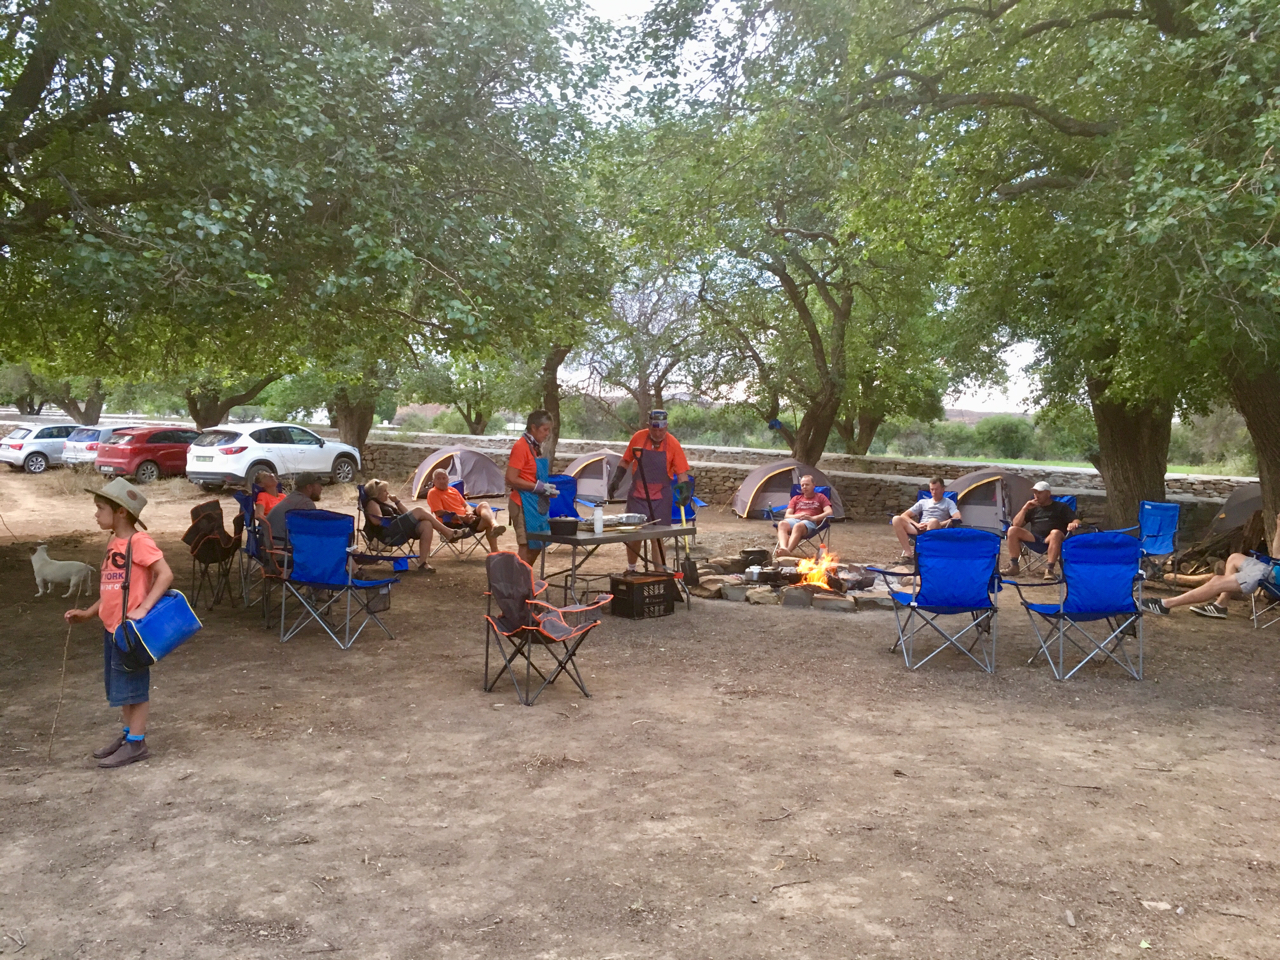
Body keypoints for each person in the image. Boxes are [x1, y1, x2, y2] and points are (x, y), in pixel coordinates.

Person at [65, 478, 174, 769]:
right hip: (112, 629)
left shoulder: (139, 542)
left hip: (130, 631)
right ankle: (128, 736)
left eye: (101, 508)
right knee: (121, 688)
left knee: (134, 687)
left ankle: (137, 743)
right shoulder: (114, 542)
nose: (96, 514)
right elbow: (111, 589)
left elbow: (165, 574)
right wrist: (89, 613)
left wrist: (144, 608)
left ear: (121, 512)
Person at [1142, 511, 1280, 619]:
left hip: (1271, 577)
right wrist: (1279, 526)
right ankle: (1221, 605)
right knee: (1234, 558)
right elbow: (1277, 556)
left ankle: (1165, 605)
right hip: (1271, 569)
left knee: (1217, 581)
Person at [608, 410, 691, 572]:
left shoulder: (673, 444)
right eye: (654, 430)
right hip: (638, 495)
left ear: (666, 427)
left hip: (661, 498)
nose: (658, 434)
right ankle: (631, 569)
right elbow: (625, 460)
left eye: (661, 430)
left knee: (657, 538)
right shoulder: (638, 438)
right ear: (648, 426)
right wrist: (616, 480)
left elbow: (682, 473)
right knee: (634, 536)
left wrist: (686, 492)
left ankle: (659, 573)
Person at [362, 478, 462, 573]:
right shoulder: (372, 502)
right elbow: (377, 521)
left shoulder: (385, 504)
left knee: (426, 524)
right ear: (377, 493)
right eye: (384, 491)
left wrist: (397, 502)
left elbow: (406, 513)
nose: (387, 493)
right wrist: (395, 519)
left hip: (398, 530)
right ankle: (448, 532)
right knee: (419, 510)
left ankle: (423, 563)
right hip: (388, 533)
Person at [506, 410, 559, 566]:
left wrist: (546, 490)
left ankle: (524, 576)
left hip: (536, 504)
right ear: (533, 427)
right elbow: (510, 478)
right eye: (545, 429)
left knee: (537, 544)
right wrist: (538, 487)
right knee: (526, 546)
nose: (547, 434)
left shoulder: (535, 447)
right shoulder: (521, 446)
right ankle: (518, 580)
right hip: (522, 503)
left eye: (549, 430)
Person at [1003, 481, 1080, 579]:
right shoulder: (1033, 508)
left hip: (1053, 539)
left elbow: (1076, 519)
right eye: (1035, 493)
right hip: (1035, 539)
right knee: (1012, 530)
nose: (1036, 495)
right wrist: (1025, 508)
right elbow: (1016, 524)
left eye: (1039, 493)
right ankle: (1014, 566)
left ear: (1048, 493)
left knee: (1055, 533)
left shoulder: (1061, 507)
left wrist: (1074, 523)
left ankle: (1049, 570)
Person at [426, 468, 506, 553]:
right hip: (454, 526)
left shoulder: (453, 490)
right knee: (487, 521)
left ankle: (495, 525)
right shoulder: (433, 493)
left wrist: (469, 513)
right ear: (434, 481)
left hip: (467, 520)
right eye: (438, 479)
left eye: (444, 478)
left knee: (484, 504)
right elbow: (440, 513)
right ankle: (495, 549)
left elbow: (466, 505)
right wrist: (463, 518)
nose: (442, 481)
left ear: (448, 479)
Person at [892, 476, 961, 561]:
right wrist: (917, 524)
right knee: (896, 519)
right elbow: (904, 515)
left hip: (937, 528)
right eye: (932, 489)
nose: (934, 492)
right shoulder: (923, 502)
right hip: (920, 528)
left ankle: (925, 552)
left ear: (943, 489)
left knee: (933, 521)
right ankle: (908, 553)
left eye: (936, 489)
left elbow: (957, 517)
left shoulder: (948, 502)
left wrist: (940, 524)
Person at [775, 474, 834, 558]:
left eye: (807, 484)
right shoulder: (796, 498)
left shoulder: (821, 497)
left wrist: (813, 518)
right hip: (795, 519)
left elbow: (829, 512)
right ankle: (783, 548)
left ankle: (788, 550)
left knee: (798, 526)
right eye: (802, 485)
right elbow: (787, 515)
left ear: (814, 485)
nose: (804, 487)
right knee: (782, 524)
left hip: (810, 522)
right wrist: (798, 516)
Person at [266, 471, 324, 545]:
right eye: (319, 485)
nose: (321, 488)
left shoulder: (292, 497)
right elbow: (312, 532)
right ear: (309, 487)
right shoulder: (305, 503)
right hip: (282, 546)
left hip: (268, 543)